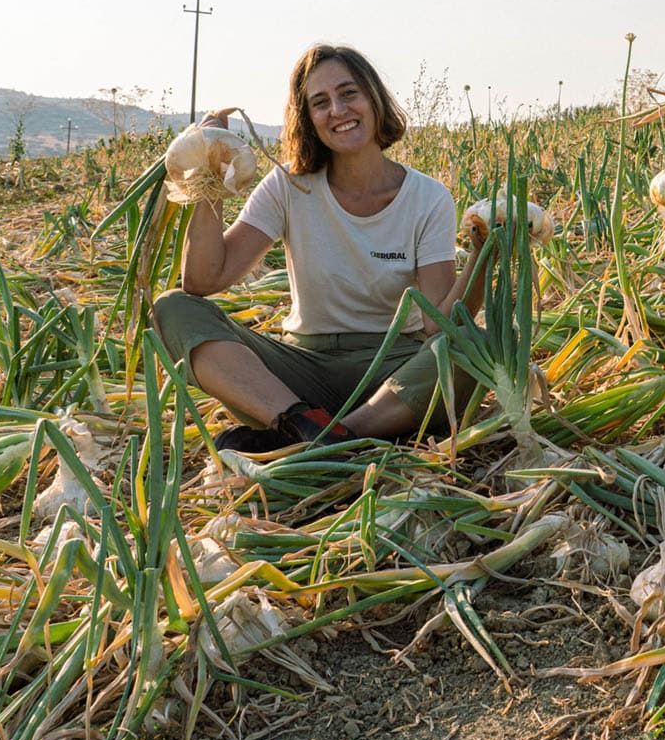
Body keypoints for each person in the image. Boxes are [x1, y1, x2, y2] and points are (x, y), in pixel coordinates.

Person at [153, 44, 482, 452]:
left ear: (374, 99)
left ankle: (331, 437)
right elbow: (202, 280)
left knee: (471, 345)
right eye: (320, 102)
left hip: (392, 371)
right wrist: (208, 168)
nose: (338, 111)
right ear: (308, 119)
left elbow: (438, 324)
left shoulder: (427, 198)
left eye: (349, 93)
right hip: (300, 371)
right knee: (173, 307)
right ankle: (300, 423)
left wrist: (486, 255)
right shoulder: (289, 185)